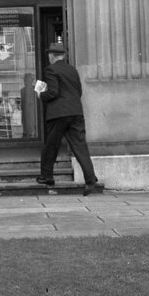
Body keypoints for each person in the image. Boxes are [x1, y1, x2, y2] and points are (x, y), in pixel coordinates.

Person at [34, 41, 104, 196]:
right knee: (80, 146)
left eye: (49, 55)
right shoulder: (73, 70)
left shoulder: (51, 69)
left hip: (58, 113)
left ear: (51, 56)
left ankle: (47, 176)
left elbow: (53, 92)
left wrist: (41, 94)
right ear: (64, 56)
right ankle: (90, 180)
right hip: (75, 112)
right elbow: (78, 91)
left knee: (51, 145)